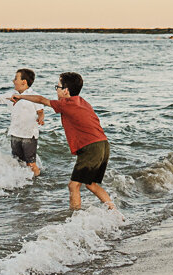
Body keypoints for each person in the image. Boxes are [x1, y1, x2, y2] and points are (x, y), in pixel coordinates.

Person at [11, 71, 119, 214]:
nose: (56, 90)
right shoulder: (82, 102)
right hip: (103, 145)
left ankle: (74, 217)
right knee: (90, 184)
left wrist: (21, 97)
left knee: (73, 185)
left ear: (66, 91)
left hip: (91, 147)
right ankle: (115, 212)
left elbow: (42, 100)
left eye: (58, 87)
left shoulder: (66, 104)